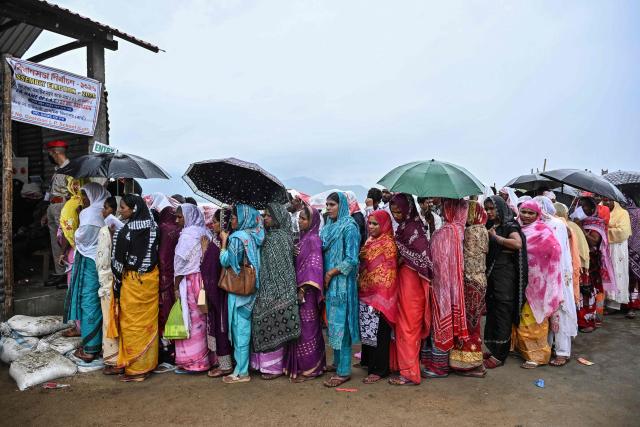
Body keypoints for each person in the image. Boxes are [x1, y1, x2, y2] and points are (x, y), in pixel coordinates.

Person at [109, 194, 160, 382]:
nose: (120, 211)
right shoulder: (154, 228)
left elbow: (117, 264)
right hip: (151, 282)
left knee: (131, 325)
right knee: (147, 325)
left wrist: (116, 287)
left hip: (132, 283)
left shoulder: (125, 232)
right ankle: (147, 364)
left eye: (123, 207)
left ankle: (136, 369)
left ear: (134, 210)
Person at [251, 203, 301, 379]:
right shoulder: (266, 236)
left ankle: (274, 367)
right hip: (266, 288)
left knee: (276, 321)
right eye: (263, 216)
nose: (265, 219)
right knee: (263, 320)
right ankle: (262, 364)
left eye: (268, 216)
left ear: (278, 217)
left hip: (281, 289)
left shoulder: (281, 237)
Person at [513, 200, 563, 369]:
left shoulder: (544, 231)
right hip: (520, 281)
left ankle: (538, 356)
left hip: (539, 284)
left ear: (538, 215)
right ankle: (523, 350)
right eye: (524, 212)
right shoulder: (516, 229)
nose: (526, 216)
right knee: (520, 317)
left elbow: (555, 253)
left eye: (530, 213)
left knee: (534, 317)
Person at [422, 199, 469, 378]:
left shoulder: (445, 232)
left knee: (439, 324)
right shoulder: (459, 229)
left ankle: (439, 366)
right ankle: (444, 363)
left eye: (445, 207)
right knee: (447, 321)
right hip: (454, 286)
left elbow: (436, 260)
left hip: (441, 286)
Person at [388, 193, 431, 385]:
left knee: (408, 327)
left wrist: (401, 254)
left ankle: (410, 373)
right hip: (406, 283)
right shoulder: (405, 227)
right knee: (404, 326)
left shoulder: (414, 229)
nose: (396, 215)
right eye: (393, 212)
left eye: (399, 211)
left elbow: (423, 260)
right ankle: (406, 367)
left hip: (413, 286)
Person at [219, 204, 265, 384]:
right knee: (245, 330)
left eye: (235, 217)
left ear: (243, 218)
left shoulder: (238, 238)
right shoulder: (256, 235)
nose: (232, 220)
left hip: (238, 291)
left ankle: (242, 371)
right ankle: (243, 367)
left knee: (240, 332)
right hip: (251, 289)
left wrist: (223, 243)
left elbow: (227, 262)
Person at [64, 182, 108, 362]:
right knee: (100, 300)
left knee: (88, 301)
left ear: (93, 196)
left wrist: (75, 235)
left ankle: (90, 348)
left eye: (85, 195)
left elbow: (80, 237)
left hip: (89, 260)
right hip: (101, 260)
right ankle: (101, 343)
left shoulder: (88, 213)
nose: (83, 199)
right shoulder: (106, 212)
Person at [321, 192, 361, 388]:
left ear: (342, 206)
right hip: (331, 285)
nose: (328, 208)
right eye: (327, 205)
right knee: (333, 324)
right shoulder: (329, 227)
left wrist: (331, 273)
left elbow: (352, 259)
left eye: (332, 204)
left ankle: (344, 370)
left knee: (342, 326)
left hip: (343, 284)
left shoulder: (349, 227)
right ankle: (337, 362)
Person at [483, 195, 527, 369]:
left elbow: (517, 244)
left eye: (492, 208)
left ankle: (500, 355)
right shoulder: (492, 226)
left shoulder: (510, 225)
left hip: (505, 276)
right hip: (494, 276)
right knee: (493, 311)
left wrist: (496, 238)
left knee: (503, 312)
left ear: (501, 208)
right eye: (487, 209)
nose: (489, 212)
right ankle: (495, 348)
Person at [285, 204, 326, 382]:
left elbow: (313, 267)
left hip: (306, 293)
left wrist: (302, 289)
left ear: (312, 221)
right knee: (301, 329)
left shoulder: (313, 240)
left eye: (304, 218)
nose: (300, 221)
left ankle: (311, 368)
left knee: (308, 330)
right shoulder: (304, 238)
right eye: (299, 218)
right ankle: (308, 366)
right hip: (300, 290)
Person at [534, 196, 577, 367]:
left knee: (559, 312)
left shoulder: (557, 225)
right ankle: (547, 348)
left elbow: (556, 251)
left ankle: (563, 352)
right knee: (544, 312)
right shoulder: (533, 224)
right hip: (540, 275)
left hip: (557, 273)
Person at [358, 209, 398, 384]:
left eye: (376, 223)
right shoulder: (371, 241)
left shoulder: (388, 243)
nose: (371, 226)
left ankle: (380, 369)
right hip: (366, 293)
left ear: (384, 224)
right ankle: (368, 362)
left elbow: (388, 272)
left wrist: (378, 294)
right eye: (370, 223)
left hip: (382, 295)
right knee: (368, 330)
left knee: (380, 333)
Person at [450, 200, 489, 377]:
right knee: (475, 324)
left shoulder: (471, 232)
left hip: (470, 282)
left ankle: (470, 365)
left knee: (468, 324)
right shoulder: (483, 229)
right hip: (480, 280)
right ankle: (477, 363)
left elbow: (464, 259)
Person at [173, 204, 211, 374]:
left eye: (180, 217)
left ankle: (193, 362)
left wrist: (175, 286)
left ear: (188, 216)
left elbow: (179, 265)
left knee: (191, 320)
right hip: (203, 281)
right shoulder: (206, 232)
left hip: (189, 282)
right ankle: (206, 358)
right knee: (203, 321)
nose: (177, 220)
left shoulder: (187, 236)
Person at [146, 193, 180, 367]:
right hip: (178, 278)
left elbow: (164, 258)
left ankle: (168, 350)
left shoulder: (164, 229)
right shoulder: (176, 227)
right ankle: (176, 348)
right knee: (176, 315)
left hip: (166, 279)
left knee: (166, 316)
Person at [575, 197, 616, 331]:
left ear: (592, 209)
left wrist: (580, 228)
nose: (581, 208)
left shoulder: (597, 223)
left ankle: (589, 322)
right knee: (581, 291)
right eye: (579, 205)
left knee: (588, 291)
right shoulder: (579, 221)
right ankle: (581, 319)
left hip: (592, 263)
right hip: (581, 261)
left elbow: (593, 241)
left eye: (584, 206)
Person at [201, 209, 234, 378]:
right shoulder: (228, 240)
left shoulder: (218, 244)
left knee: (221, 327)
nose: (212, 224)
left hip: (220, 294)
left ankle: (225, 365)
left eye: (215, 221)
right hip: (231, 292)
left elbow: (208, 269)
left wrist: (204, 251)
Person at [96, 196, 123, 374]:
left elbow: (103, 260)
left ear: (112, 210)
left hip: (107, 281)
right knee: (119, 319)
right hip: (120, 281)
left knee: (109, 320)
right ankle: (120, 356)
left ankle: (113, 360)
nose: (102, 211)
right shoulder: (122, 228)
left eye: (105, 208)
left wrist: (104, 280)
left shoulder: (106, 230)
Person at [44, 140, 71, 287]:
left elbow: (72, 192)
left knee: (64, 241)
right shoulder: (57, 170)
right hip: (53, 206)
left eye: (50, 152)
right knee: (55, 243)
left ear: (56, 152)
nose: (49, 155)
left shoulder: (69, 169)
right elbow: (50, 192)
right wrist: (45, 212)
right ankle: (60, 273)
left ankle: (68, 273)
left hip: (63, 206)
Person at [56, 177, 87, 290]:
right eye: (73, 184)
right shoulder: (90, 201)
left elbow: (66, 232)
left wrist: (62, 252)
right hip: (87, 250)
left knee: (76, 285)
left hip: (75, 250)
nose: (75, 187)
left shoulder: (71, 205)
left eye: (78, 184)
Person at [602, 199, 632, 312]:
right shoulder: (601, 211)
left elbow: (623, 231)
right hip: (605, 246)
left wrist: (605, 229)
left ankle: (614, 304)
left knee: (617, 272)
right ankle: (605, 301)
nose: (607, 203)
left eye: (610, 201)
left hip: (618, 247)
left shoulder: (623, 213)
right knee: (606, 273)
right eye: (605, 201)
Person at [623, 197, 640, 318]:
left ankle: (632, 306)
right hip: (633, 250)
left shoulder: (626, 213)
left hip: (629, 249)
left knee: (631, 278)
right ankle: (633, 304)